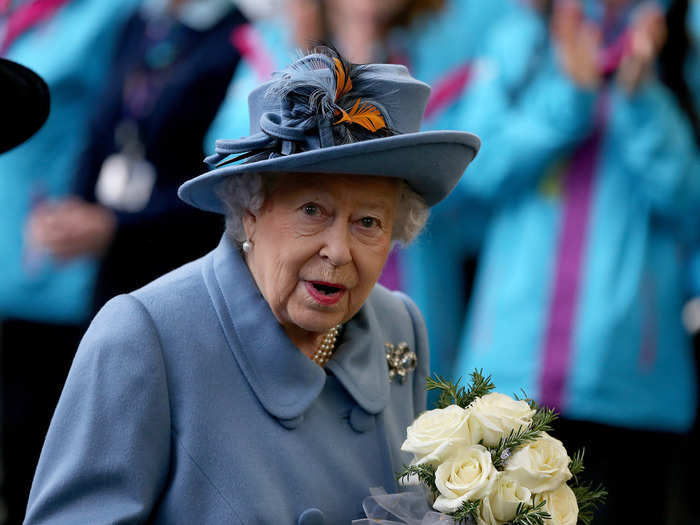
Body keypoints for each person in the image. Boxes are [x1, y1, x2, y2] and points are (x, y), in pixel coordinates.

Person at [23, 48, 480, 523]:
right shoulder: (145, 336)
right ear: (250, 210)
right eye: (312, 211)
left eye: (368, 222)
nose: (339, 250)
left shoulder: (398, 324)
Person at [451, 0, 700, 523]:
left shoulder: (681, 43)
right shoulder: (521, 37)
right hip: (510, 375)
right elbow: (473, 169)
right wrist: (569, 96)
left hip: (631, 385)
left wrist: (640, 99)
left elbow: (692, 204)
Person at [207, 0, 507, 378]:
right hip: (290, 290)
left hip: (417, 287)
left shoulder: (441, 54)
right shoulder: (279, 47)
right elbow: (229, 160)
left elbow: (467, 186)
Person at [0, 1, 140, 521]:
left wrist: (108, 218)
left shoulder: (111, 13)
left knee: (45, 475)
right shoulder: (15, 12)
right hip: (7, 272)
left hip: (56, 279)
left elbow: (135, 117)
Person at [26, 0, 248, 316]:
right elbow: (102, 127)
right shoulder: (140, 24)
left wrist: (115, 226)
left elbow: (222, 187)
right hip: (112, 271)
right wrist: (77, 206)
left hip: (181, 272)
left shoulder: (237, 37)